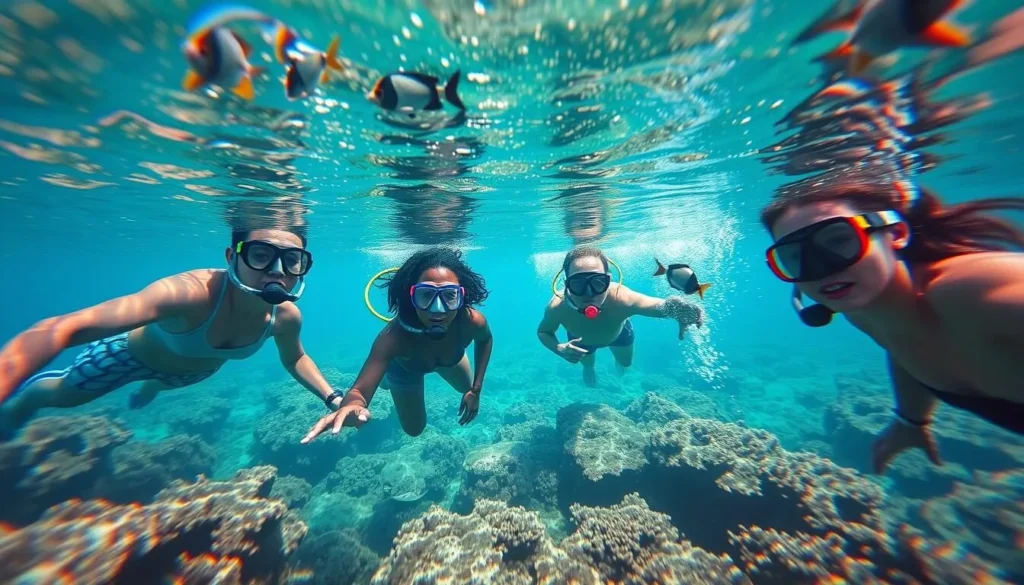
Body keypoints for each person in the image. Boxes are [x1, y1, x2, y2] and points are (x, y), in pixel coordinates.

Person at [761, 179, 1024, 474]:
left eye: (837, 240)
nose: (820, 268)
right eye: (795, 257)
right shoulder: (864, 310)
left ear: (896, 233)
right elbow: (904, 347)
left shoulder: (968, 290)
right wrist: (911, 419)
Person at [0, 226, 342, 436]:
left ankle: (154, 387)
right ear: (231, 256)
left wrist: (333, 399)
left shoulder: (285, 317)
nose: (277, 271)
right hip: (129, 357)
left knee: (160, 385)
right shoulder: (189, 293)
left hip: (192, 373)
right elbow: (61, 328)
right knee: (63, 395)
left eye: (293, 260)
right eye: (261, 254)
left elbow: (295, 358)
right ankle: (22, 404)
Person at [301, 247, 493, 442]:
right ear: (411, 297)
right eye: (426, 295)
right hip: (405, 370)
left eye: (449, 295)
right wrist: (351, 405)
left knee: (466, 388)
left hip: (449, 360)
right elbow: (359, 391)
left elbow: (485, 339)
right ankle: (386, 377)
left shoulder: (471, 322)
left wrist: (476, 390)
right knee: (414, 429)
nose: (438, 308)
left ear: (462, 296)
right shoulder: (393, 339)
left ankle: (392, 375)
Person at [536, 245, 705, 387]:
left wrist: (676, 309)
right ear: (567, 285)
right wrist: (558, 348)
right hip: (580, 343)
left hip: (619, 335)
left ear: (608, 281)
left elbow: (656, 306)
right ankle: (589, 369)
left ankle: (607, 365)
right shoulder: (557, 307)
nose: (589, 294)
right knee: (587, 364)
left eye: (598, 282)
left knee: (625, 363)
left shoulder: (621, 298)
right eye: (578, 284)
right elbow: (544, 331)